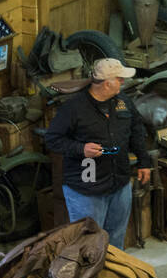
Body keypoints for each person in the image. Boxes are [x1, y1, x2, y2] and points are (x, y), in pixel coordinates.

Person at [43, 57, 152, 250]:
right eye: (120, 79)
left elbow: (136, 130)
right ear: (107, 83)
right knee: (88, 245)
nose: (123, 82)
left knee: (116, 240)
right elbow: (52, 139)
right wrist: (80, 149)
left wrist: (144, 161)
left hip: (119, 184)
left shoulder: (123, 102)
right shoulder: (73, 108)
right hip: (86, 190)